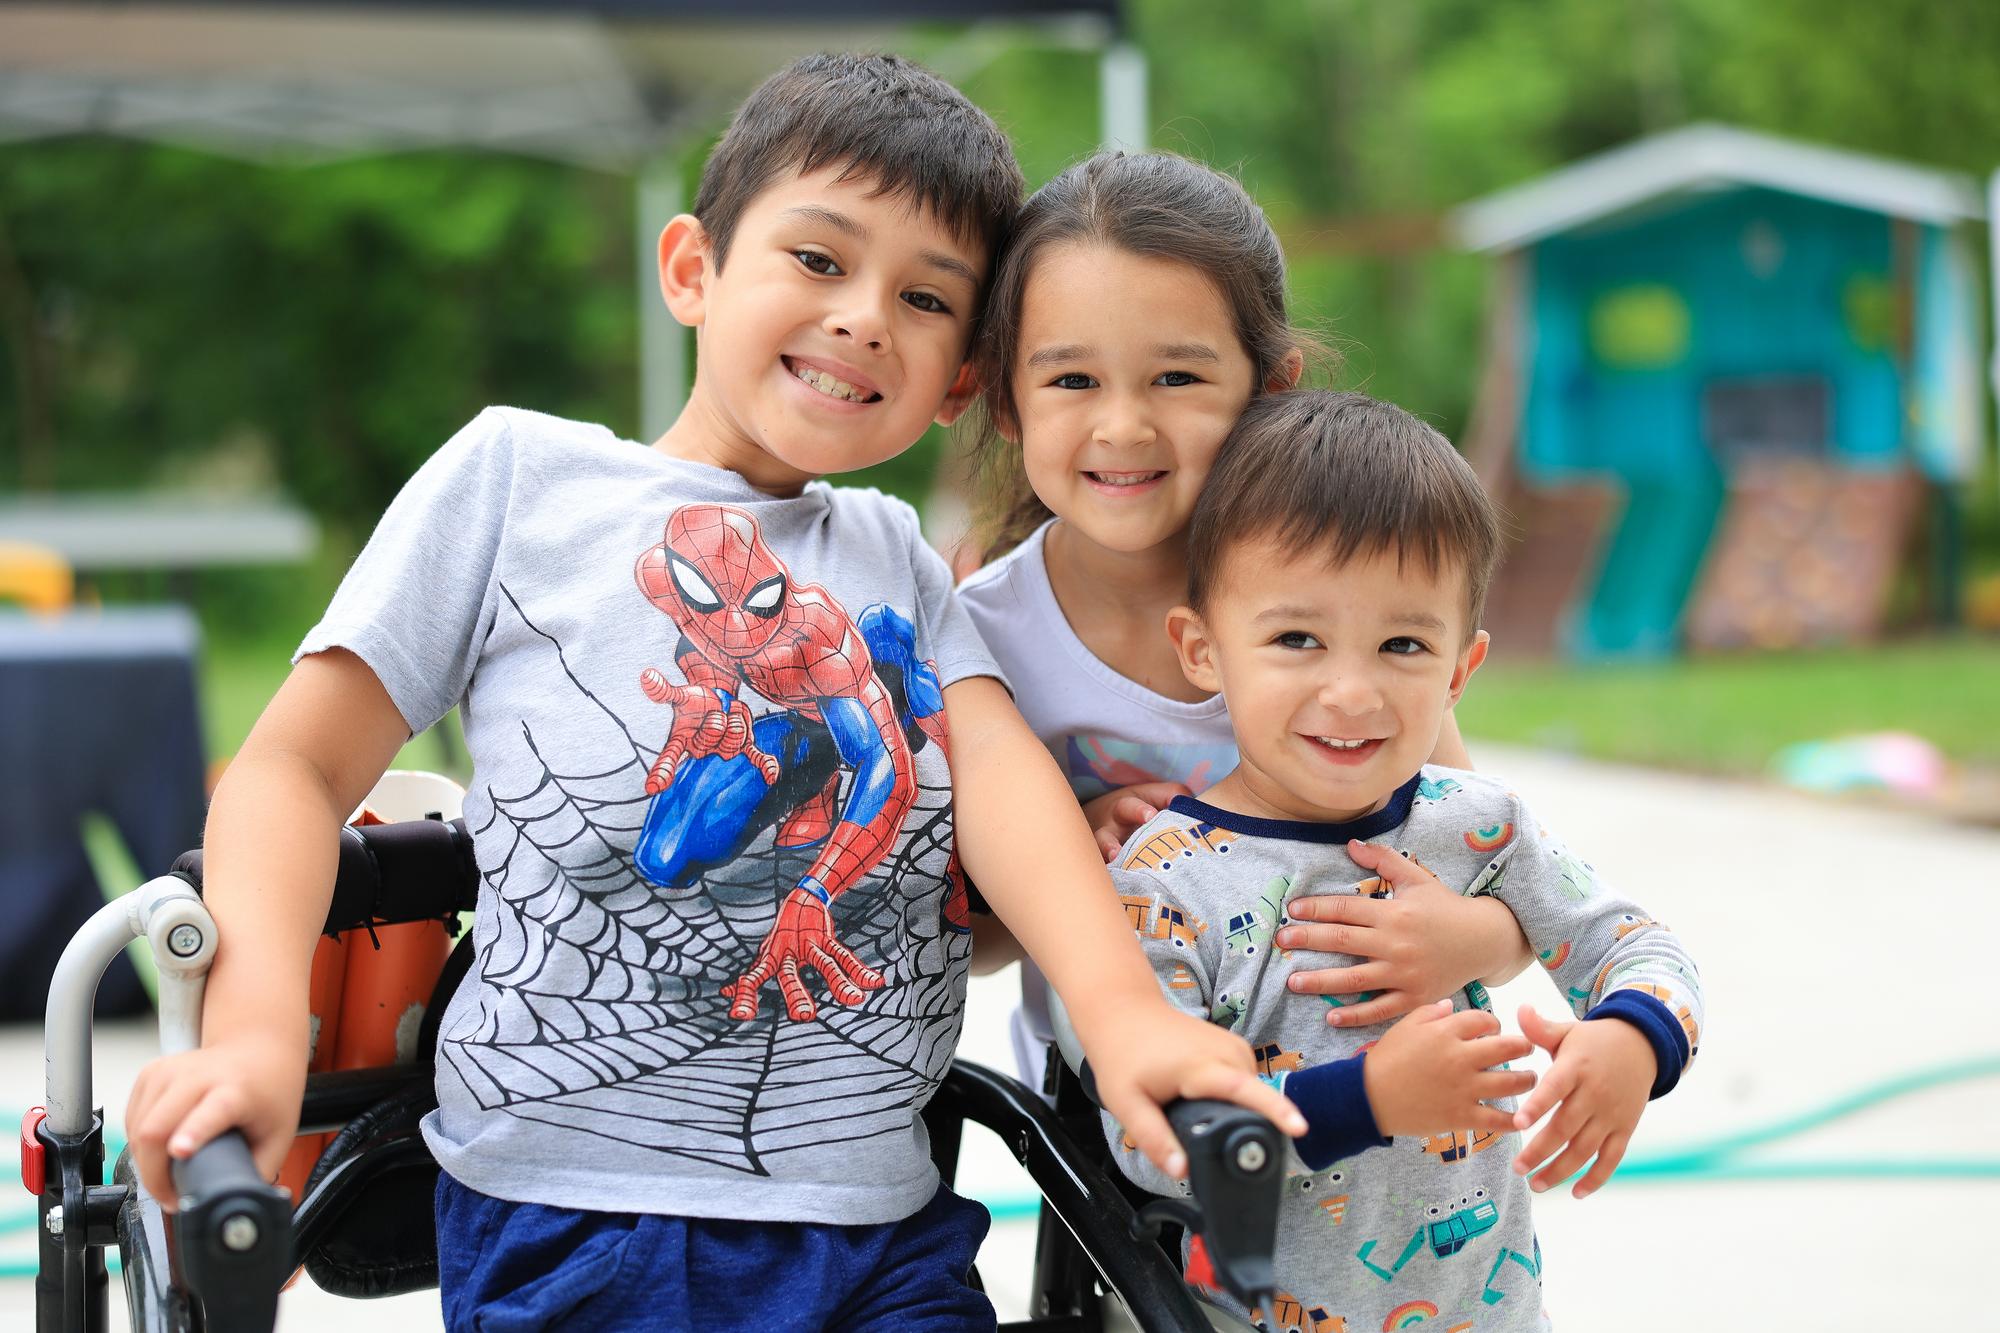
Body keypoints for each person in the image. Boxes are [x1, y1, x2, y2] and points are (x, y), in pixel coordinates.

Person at [122, 53, 1304, 1332]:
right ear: (691, 269)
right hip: (567, 1219)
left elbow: (1000, 781)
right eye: (817, 260)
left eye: (924, 298)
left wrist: (1124, 1017)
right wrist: (248, 1040)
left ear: (961, 381)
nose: (863, 317)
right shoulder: (519, 481)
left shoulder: (893, 554)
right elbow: (291, 771)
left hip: (884, 1232)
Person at [1102, 389, 1706, 1331]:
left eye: (1402, 644)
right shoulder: (1167, 877)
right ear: (1204, 649)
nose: (1351, 691)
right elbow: (1153, 1145)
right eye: (1297, 638)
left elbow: (1643, 947)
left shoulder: (1476, 826)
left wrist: (1632, 1038)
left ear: (1459, 671)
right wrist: (1370, 1098)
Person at [954, 150, 1530, 1092]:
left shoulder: (1344, 607)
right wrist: (1074, 841)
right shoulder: (982, 641)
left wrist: (1475, 940)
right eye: (1071, 382)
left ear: (1270, 388)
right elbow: (971, 947)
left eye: (1177, 377)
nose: (1126, 427)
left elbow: (1494, 863)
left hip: (1389, 1112)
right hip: (1128, 1134)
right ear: (1005, 400)